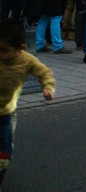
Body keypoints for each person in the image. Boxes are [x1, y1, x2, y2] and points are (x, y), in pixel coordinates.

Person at [0, 19, 56, 186]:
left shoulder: (27, 60)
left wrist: (48, 88)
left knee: (4, 153)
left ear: (20, 49)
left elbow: (45, 73)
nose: (0, 55)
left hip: (5, 115)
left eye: (5, 51)